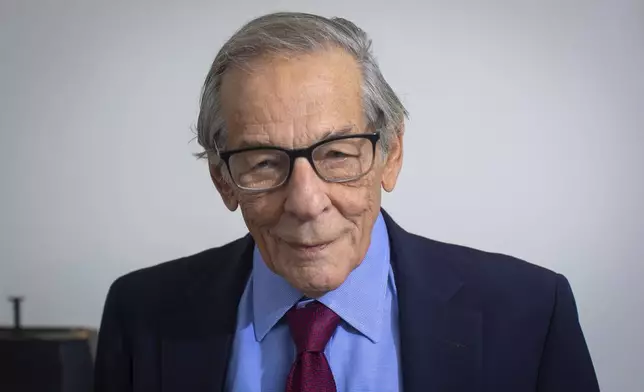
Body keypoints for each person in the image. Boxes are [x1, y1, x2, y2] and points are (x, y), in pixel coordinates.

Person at [94, 12, 599, 392]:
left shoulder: (531, 313)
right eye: (264, 162)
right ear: (223, 180)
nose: (307, 202)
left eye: (336, 154)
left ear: (391, 154)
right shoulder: (140, 314)